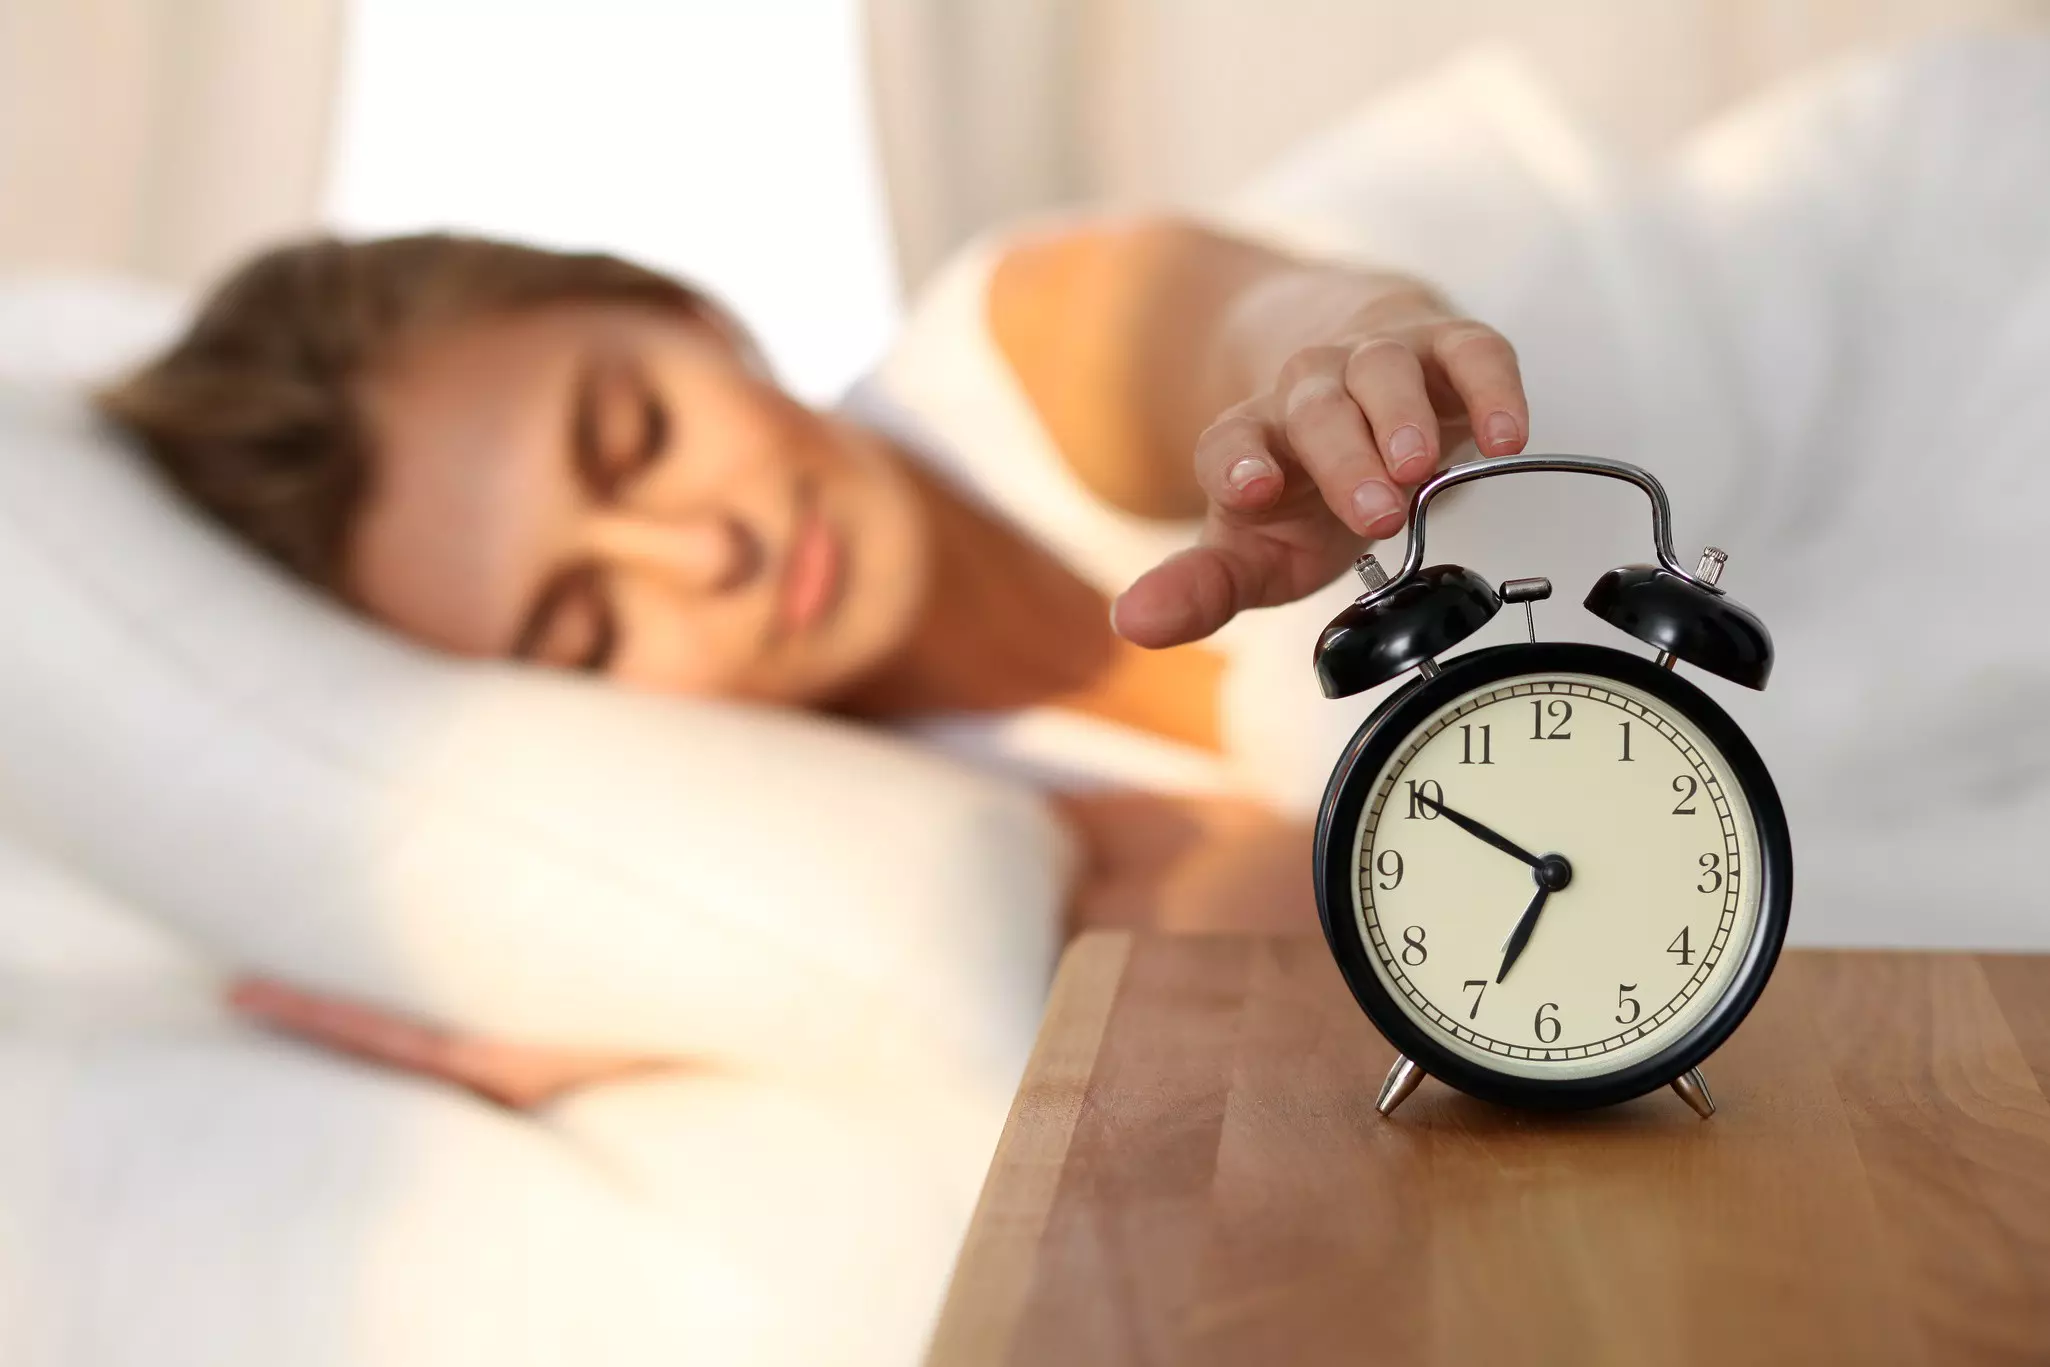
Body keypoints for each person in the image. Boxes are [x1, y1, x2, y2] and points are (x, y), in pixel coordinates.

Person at [102, 219, 1534, 1107]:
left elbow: (1237, 322)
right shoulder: (973, 844)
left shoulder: (1028, 348)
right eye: (586, 629)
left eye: (636, 436)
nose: (700, 552)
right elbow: (1421, 950)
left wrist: (1343, 356)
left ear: (685, 309)